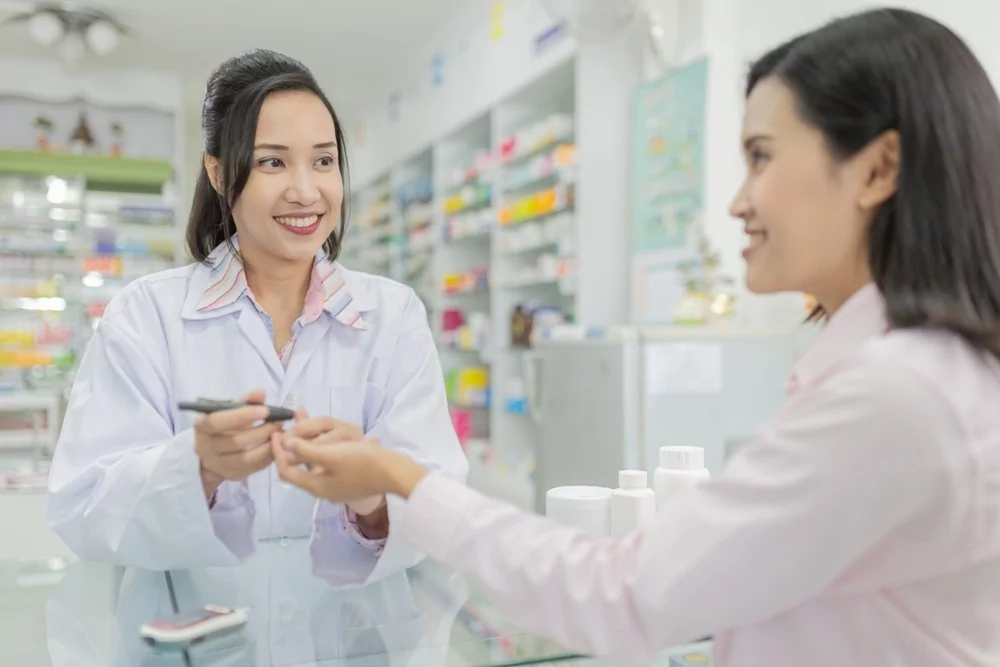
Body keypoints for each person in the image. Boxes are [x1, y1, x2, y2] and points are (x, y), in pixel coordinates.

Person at [271, 9, 1000, 666]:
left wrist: (400, 478)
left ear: (878, 167)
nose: (738, 200)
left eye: (761, 156)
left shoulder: (899, 394)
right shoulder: (926, 374)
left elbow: (622, 594)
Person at [46, 49, 467, 578]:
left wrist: (373, 497)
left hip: (352, 638)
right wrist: (197, 469)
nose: (306, 191)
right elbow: (83, 506)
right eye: (272, 161)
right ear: (219, 174)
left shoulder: (393, 314)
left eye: (323, 160)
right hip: (196, 637)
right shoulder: (146, 314)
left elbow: (441, 494)